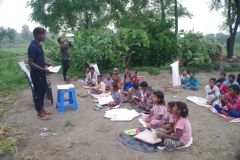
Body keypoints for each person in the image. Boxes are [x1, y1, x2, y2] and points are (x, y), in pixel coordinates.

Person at [28, 27, 55, 120]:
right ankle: (39, 113)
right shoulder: (33, 46)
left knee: (43, 91)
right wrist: (44, 70)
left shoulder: (38, 45)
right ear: (38, 35)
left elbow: (39, 60)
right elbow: (30, 62)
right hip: (37, 74)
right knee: (38, 93)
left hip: (41, 73)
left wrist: (48, 64)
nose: (45, 36)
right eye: (43, 35)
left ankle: (42, 110)